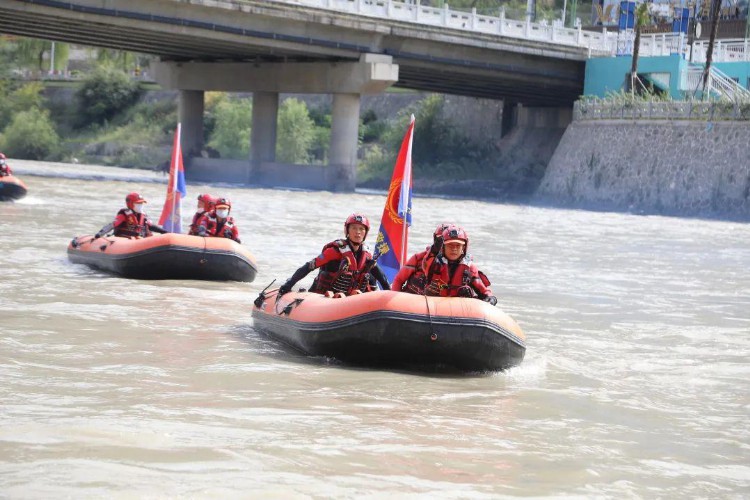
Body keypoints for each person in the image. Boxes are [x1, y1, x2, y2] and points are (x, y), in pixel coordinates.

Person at [278, 213, 391, 296]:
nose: (358, 232)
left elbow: (382, 278)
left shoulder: (367, 256)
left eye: (361, 229)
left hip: (352, 297)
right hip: (326, 296)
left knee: (368, 280)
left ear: (365, 233)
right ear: (347, 230)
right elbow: (309, 266)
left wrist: (389, 294)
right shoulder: (334, 251)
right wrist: (288, 285)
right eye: (354, 228)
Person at [421, 225, 498, 305]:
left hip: (460, 308)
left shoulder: (469, 268)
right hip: (434, 305)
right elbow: (425, 265)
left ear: (463, 248)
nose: (454, 249)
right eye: (450, 245)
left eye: (458, 245)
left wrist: (491, 298)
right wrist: (433, 250)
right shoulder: (434, 263)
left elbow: (483, 290)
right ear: (443, 247)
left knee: (467, 291)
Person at [392, 223, 450, 294]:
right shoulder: (418, 258)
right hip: (409, 299)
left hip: (435, 302)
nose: (442, 245)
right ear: (435, 240)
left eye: (447, 242)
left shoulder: (455, 266)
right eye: (440, 240)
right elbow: (399, 279)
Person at [95, 192, 167, 239]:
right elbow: (112, 225)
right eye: (138, 204)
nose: (140, 206)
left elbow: (152, 226)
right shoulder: (124, 214)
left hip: (139, 240)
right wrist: (100, 233)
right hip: (123, 240)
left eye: (141, 204)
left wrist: (165, 232)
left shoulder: (143, 216)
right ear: (130, 204)